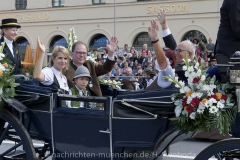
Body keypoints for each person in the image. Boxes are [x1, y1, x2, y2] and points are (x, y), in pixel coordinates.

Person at [145, 20, 175, 90]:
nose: (156, 61)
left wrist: (154, 40)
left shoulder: (169, 73)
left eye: (158, 58)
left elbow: (162, 62)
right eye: (156, 58)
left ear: (170, 62)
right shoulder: (158, 75)